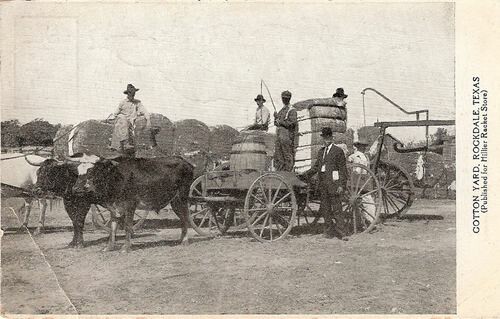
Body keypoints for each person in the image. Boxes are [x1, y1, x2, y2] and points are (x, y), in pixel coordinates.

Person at [300, 127, 348, 239]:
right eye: (324, 138)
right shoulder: (321, 152)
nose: (326, 140)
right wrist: (305, 174)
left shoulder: (338, 151)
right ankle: (328, 232)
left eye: (328, 137)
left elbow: (343, 170)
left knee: (337, 209)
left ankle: (342, 233)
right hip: (322, 184)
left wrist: (341, 185)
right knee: (326, 209)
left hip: (334, 184)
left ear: (331, 138)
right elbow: (316, 167)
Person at [110, 84, 151, 154]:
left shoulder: (137, 102)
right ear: (128, 93)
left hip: (132, 121)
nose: (132, 94)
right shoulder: (122, 102)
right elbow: (116, 113)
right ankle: (125, 142)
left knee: (135, 121)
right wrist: (113, 118)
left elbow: (144, 111)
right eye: (131, 93)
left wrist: (148, 120)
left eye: (133, 93)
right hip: (122, 121)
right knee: (122, 119)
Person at [273, 90, 298, 171]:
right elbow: (276, 123)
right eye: (283, 98)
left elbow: (291, 123)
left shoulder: (292, 110)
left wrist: (280, 121)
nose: (284, 100)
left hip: (287, 136)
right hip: (279, 136)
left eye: (286, 98)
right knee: (278, 155)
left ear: (289, 99)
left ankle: (288, 173)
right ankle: (280, 173)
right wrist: (276, 118)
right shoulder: (281, 110)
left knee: (287, 155)